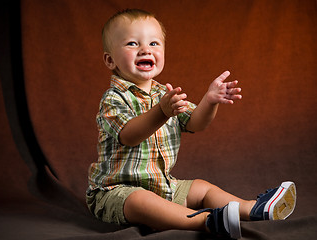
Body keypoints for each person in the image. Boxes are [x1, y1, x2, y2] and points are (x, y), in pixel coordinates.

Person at [86, 9, 296, 239]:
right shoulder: (114, 98)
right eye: (133, 44)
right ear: (110, 60)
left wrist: (210, 101)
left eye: (154, 43)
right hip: (115, 193)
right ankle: (207, 221)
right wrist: (162, 112)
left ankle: (252, 209)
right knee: (139, 200)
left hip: (163, 187)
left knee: (201, 188)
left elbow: (196, 123)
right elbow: (129, 135)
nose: (146, 49)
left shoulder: (164, 94)